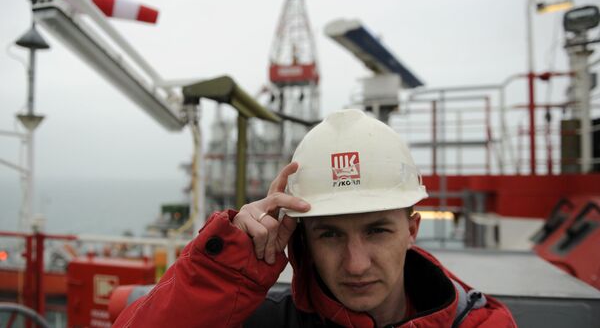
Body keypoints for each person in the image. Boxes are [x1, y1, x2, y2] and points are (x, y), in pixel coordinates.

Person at [114, 109, 516, 327]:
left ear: (412, 229)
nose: (356, 264)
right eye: (330, 235)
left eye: (377, 230)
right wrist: (226, 269)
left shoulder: (480, 324)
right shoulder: (256, 322)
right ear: (301, 239)